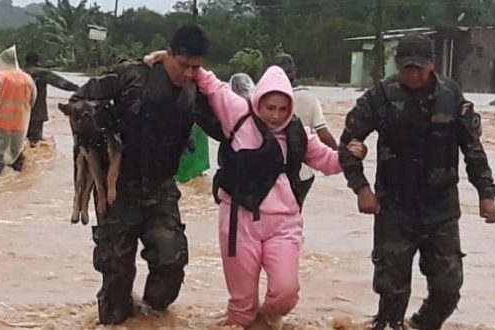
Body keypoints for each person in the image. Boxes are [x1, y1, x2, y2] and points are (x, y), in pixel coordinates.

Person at [144, 57, 364, 328]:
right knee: (242, 307)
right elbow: (211, 85)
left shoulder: (300, 134)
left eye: (283, 109)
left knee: (286, 294)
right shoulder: (237, 115)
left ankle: (266, 319)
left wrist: (351, 155)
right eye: (270, 107)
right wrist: (174, 60)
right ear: (257, 100)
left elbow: (329, 162)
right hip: (239, 222)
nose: (275, 115)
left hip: (284, 225)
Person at [339, 33, 495, 330]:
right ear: (398, 65)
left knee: (448, 287)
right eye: (406, 68)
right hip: (394, 209)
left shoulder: (451, 96)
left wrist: (486, 193)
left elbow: (472, 149)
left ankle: (421, 324)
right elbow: (348, 144)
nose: (413, 75)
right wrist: (362, 189)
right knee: (392, 291)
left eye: (419, 68)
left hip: (440, 210)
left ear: (432, 65)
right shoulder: (381, 96)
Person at [69, 25, 222, 326]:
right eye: (184, 65)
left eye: (196, 67)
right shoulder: (131, 77)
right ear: (169, 55)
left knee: (172, 260)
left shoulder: (195, 91)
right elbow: (77, 101)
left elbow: (226, 127)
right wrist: (98, 125)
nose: (189, 73)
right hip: (117, 190)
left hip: (160, 190)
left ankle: (151, 315)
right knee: (115, 282)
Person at [270, 53, 337, 208]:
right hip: (304, 174)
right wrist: (341, 155)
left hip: (273, 174)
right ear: (295, 71)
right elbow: (323, 133)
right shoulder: (308, 97)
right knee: (293, 216)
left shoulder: (265, 100)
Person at [0, 46, 36, 179]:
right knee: (16, 157)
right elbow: (32, 102)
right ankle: (15, 189)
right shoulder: (28, 79)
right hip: (20, 126)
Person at [22, 52, 80, 146]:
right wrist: (80, 89)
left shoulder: (18, 74)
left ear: (25, 62)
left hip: (19, 114)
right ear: (38, 62)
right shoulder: (42, 74)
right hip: (37, 115)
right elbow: (62, 83)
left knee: (21, 144)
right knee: (35, 144)